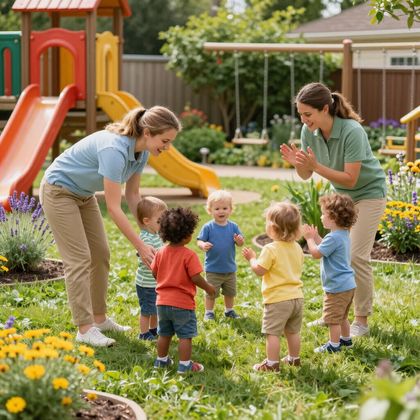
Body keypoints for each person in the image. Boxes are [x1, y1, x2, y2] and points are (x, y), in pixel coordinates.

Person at [39, 106, 181, 347]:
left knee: (101, 254)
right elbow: (114, 208)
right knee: (79, 258)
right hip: (58, 191)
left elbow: (134, 196)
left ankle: (100, 318)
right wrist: (141, 246)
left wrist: (149, 234)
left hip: (83, 195)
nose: (166, 147)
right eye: (164, 141)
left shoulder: (141, 153)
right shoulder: (114, 150)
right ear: (147, 132)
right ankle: (85, 328)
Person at [280, 82, 386, 337]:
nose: (304, 120)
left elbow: (350, 178)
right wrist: (299, 164)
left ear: (325, 108)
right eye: (300, 114)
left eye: (308, 114)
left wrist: (314, 166)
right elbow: (306, 175)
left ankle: (361, 321)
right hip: (342, 197)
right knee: (336, 256)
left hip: (369, 194)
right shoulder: (309, 132)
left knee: (355, 256)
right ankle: (335, 314)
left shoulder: (352, 131)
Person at [151, 207, 216, 374]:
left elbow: (154, 271)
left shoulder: (160, 252)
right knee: (185, 336)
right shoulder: (189, 255)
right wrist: (209, 288)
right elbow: (195, 277)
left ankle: (161, 361)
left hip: (162, 302)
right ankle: (185, 365)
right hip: (182, 304)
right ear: (187, 235)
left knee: (164, 334)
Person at [242, 202, 304, 372]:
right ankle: (294, 358)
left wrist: (252, 259)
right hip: (297, 298)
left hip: (278, 300)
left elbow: (259, 270)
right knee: (292, 332)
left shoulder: (270, 249)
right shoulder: (297, 247)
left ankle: (272, 363)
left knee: (272, 333)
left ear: (273, 228)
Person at [303, 193, 358, 353]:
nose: (321, 217)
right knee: (342, 316)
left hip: (336, 287)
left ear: (334, 217)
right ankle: (346, 340)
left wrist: (309, 239)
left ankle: (333, 345)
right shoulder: (341, 235)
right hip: (348, 285)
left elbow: (316, 253)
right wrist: (317, 237)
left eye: (323, 214)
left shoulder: (333, 238)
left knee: (333, 319)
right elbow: (325, 248)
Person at [197, 190, 244, 321]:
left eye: (224, 208)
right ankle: (209, 312)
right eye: (217, 208)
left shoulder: (233, 227)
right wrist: (203, 245)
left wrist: (239, 241)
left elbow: (240, 242)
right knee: (211, 292)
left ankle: (229, 310)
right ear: (210, 210)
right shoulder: (208, 227)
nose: (221, 211)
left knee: (230, 292)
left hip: (229, 268)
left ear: (230, 209)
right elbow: (199, 240)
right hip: (213, 269)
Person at [134, 196, 168, 341]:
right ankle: (143, 333)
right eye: (160, 220)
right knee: (147, 310)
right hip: (146, 283)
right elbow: (149, 259)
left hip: (156, 282)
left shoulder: (157, 235)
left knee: (156, 309)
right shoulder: (145, 239)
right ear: (146, 221)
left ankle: (153, 330)